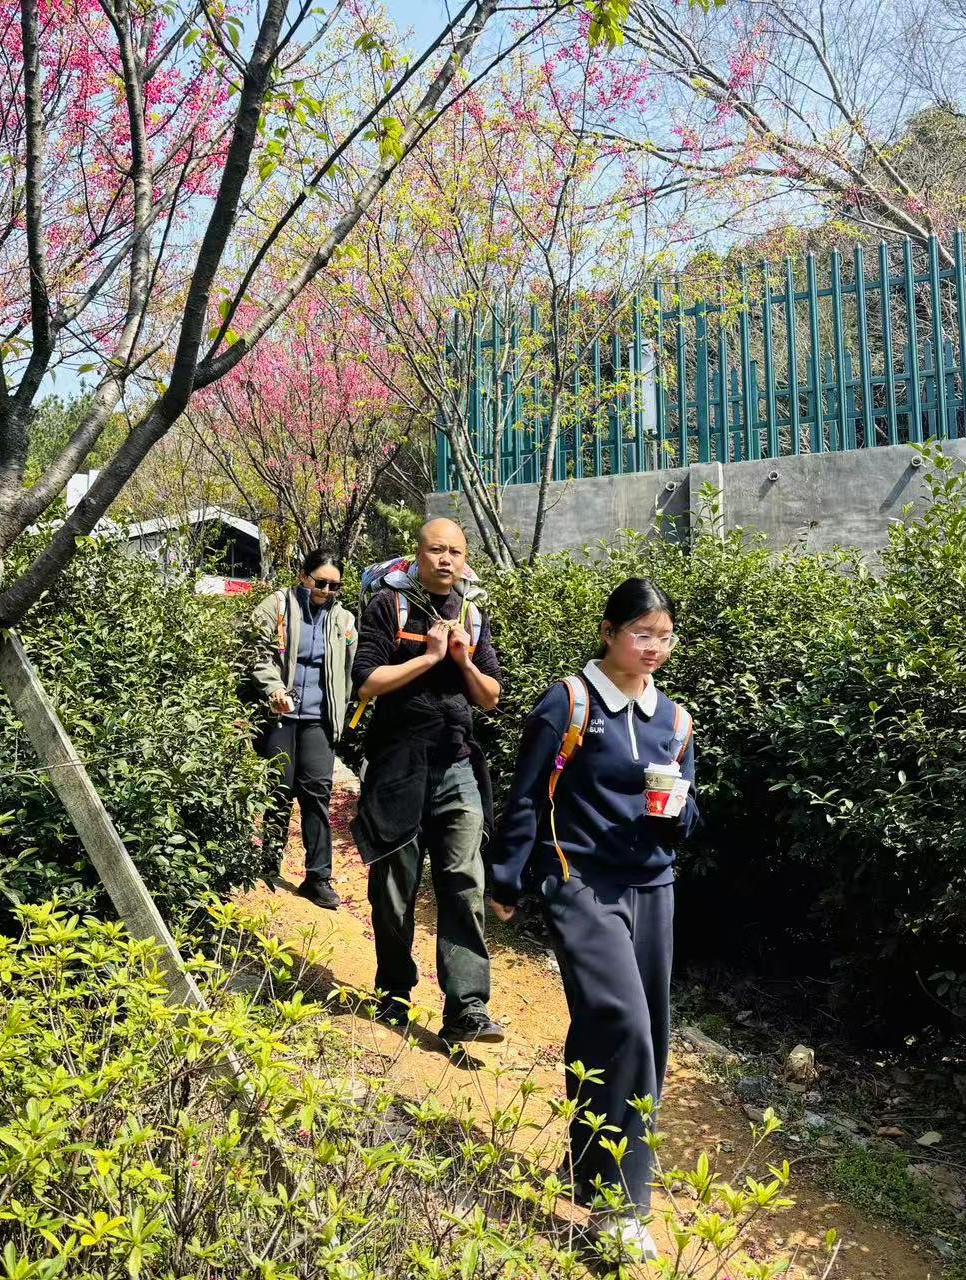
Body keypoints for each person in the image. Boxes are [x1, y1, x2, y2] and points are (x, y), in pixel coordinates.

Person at [487, 578, 699, 1260]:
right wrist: (506, 877)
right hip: (579, 881)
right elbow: (527, 794)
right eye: (642, 634)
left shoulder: (675, 720)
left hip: (652, 885)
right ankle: (618, 1210)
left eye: (664, 636)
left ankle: (589, 1157)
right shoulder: (570, 702)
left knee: (644, 1036)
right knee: (623, 1023)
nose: (654, 647)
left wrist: (675, 813)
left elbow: (689, 813)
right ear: (608, 632)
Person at [351, 518, 505, 1045]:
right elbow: (367, 681)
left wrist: (462, 662)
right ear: (418, 554)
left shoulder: (472, 614)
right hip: (397, 764)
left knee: (464, 881)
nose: (446, 560)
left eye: (455, 552)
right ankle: (394, 989)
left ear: (465, 559)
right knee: (394, 889)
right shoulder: (388, 606)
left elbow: (491, 696)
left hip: (457, 764)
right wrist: (429, 658)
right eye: (437, 550)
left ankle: (468, 1008)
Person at [249, 549, 358, 910]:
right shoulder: (277, 606)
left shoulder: (343, 620)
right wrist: (273, 688)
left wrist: (344, 708)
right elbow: (256, 653)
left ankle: (318, 877)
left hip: (319, 720)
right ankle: (268, 864)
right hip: (279, 716)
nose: (327, 590)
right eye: (320, 582)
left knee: (317, 795)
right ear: (303, 576)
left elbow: (351, 668)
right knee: (278, 789)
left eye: (334, 585)